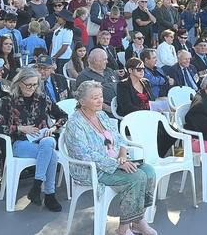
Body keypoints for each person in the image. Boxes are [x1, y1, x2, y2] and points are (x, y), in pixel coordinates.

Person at [64, 80, 158, 235]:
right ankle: (123, 228)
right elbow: (84, 154)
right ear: (82, 102)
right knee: (136, 177)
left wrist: (122, 155)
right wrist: (116, 164)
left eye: (100, 96)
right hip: (91, 169)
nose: (100, 100)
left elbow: (119, 138)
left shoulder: (101, 115)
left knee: (149, 171)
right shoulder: (75, 123)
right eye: (95, 98)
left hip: (115, 162)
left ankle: (137, 221)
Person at [0, 67, 67, 212]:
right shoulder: (8, 101)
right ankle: (49, 194)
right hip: (21, 144)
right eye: (28, 85)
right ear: (19, 83)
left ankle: (37, 187)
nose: (32, 88)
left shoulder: (43, 98)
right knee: (51, 153)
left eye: (35, 84)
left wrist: (53, 128)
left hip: (43, 141)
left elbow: (63, 116)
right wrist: (19, 128)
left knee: (49, 142)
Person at [117, 57, 175, 157]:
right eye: (139, 69)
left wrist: (159, 106)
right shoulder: (123, 85)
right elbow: (126, 107)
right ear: (130, 70)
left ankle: (158, 155)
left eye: (143, 69)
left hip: (149, 117)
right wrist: (145, 111)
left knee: (172, 133)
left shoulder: (145, 82)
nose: (142, 71)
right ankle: (152, 157)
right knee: (159, 133)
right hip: (132, 119)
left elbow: (151, 101)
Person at [76, 48, 120, 115]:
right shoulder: (84, 76)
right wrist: (109, 108)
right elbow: (84, 98)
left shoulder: (109, 71)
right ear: (95, 60)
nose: (107, 62)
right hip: (102, 111)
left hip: (120, 106)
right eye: (105, 59)